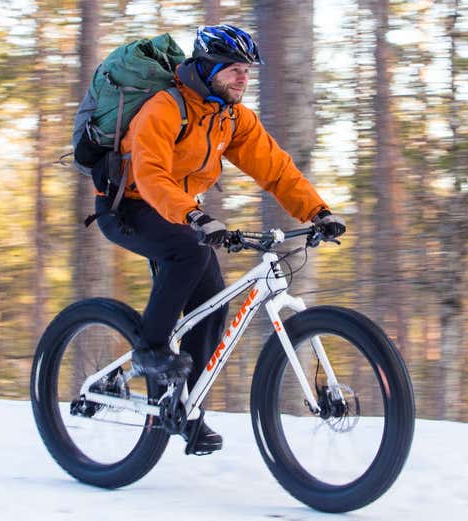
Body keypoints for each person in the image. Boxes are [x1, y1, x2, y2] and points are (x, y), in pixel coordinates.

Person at [94, 24, 345, 455]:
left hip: (179, 212)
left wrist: (318, 211)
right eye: (234, 70)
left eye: (247, 71)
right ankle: (150, 349)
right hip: (129, 206)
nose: (244, 79)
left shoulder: (232, 118)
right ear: (208, 69)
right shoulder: (165, 107)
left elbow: (276, 170)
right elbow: (150, 175)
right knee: (188, 253)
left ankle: (185, 412)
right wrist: (193, 214)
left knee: (212, 305)